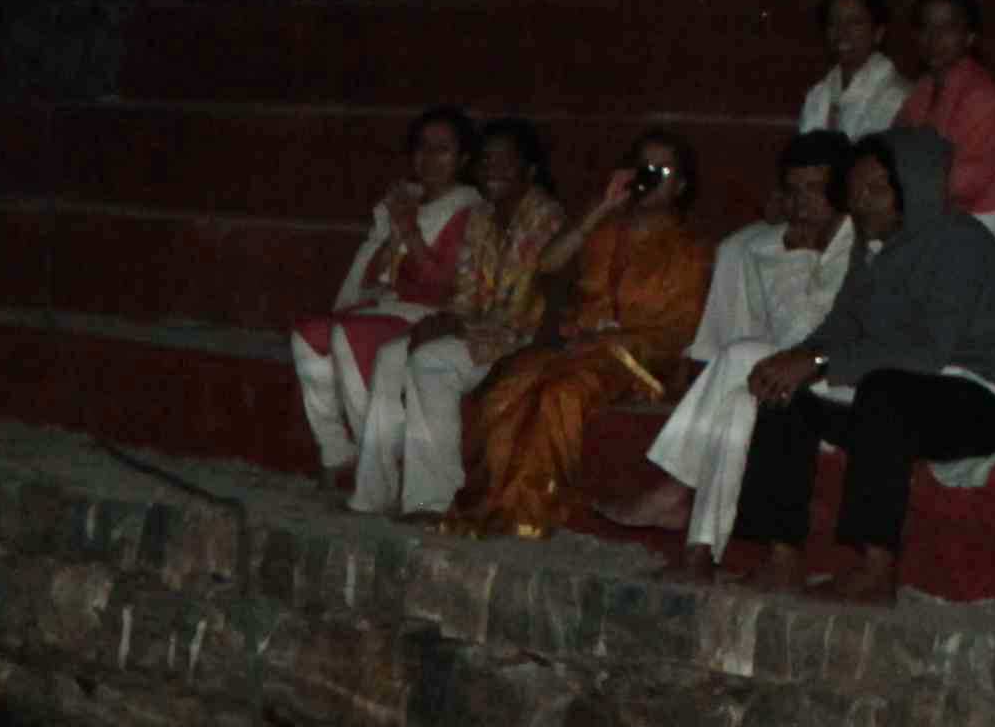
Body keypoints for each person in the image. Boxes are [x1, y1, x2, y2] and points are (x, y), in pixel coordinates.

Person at [715, 125, 995, 597]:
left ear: (914, 189)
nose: (861, 202)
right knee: (786, 393)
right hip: (911, 389)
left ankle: (876, 568)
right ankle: (781, 557)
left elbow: (927, 351)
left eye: (877, 189)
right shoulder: (873, 244)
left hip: (989, 399)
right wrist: (796, 358)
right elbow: (842, 324)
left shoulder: (957, 242)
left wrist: (819, 362)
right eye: (856, 190)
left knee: (883, 394)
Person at [450, 128, 713, 536]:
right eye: (643, 167)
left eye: (662, 171)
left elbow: (677, 329)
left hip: (638, 359)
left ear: (680, 185)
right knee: (509, 387)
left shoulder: (690, 249)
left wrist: (609, 340)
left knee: (560, 394)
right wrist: (600, 209)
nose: (649, 177)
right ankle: (493, 501)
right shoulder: (604, 229)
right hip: (578, 349)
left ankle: (529, 510)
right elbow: (547, 265)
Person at [607, 131, 855, 547]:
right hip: (781, 381)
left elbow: (811, 337)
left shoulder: (863, 245)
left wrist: (800, 257)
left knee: (743, 356)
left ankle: (673, 489)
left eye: (815, 189)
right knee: (737, 391)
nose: (802, 203)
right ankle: (699, 545)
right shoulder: (765, 242)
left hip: (842, 378)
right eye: (794, 190)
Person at [352, 117, 567, 515]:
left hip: (522, 340)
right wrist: (445, 320)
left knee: (429, 361)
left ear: (529, 169)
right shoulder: (482, 216)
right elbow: (468, 292)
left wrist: (454, 324)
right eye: (487, 161)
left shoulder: (544, 217)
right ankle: (374, 493)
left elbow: (518, 308)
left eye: (505, 161)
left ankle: (433, 499)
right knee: (391, 356)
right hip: (481, 331)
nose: (493, 170)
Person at [294, 107, 502, 495]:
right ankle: (337, 452)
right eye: (422, 147)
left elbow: (443, 287)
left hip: (434, 313)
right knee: (307, 335)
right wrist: (389, 234)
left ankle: (378, 464)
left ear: (463, 159)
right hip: (389, 305)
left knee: (347, 335)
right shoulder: (406, 200)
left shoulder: (468, 210)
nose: (429, 158)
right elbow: (377, 274)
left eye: (442, 149)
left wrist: (408, 230)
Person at [899, 0, 995, 256]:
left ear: (969, 37)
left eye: (946, 29)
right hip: (931, 211)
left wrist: (902, 189)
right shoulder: (922, 90)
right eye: (925, 28)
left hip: (982, 217)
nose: (933, 39)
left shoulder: (983, 96)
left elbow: (964, 184)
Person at [803, 0, 906, 143]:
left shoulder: (896, 97)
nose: (842, 32)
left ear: (878, 32)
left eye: (855, 23)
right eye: (833, 22)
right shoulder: (818, 94)